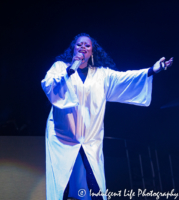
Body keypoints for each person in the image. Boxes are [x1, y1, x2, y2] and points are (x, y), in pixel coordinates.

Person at [41, 33, 173, 200]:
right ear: (73, 48)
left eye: (87, 45)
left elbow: (125, 78)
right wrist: (69, 70)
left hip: (90, 137)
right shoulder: (60, 67)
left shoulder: (102, 75)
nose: (83, 47)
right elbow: (49, 86)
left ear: (92, 53)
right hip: (62, 135)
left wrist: (152, 70)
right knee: (62, 184)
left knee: (94, 182)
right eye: (79, 44)